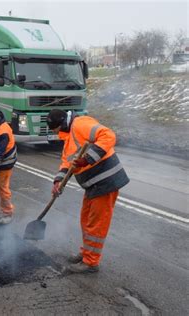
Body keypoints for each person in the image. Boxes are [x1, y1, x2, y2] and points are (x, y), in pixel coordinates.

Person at [46, 109, 130, 273]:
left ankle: (91, 262)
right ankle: (86, 254)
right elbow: (66, 163)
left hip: (106, 181)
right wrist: (58, 181)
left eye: (55, 129)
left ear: (62, 124)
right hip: (93, 185)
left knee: (96, 225)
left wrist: (87, 159)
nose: (55, 133)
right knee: (86, 220)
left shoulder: (81, 123)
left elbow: (108, 135)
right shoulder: (68, 137)